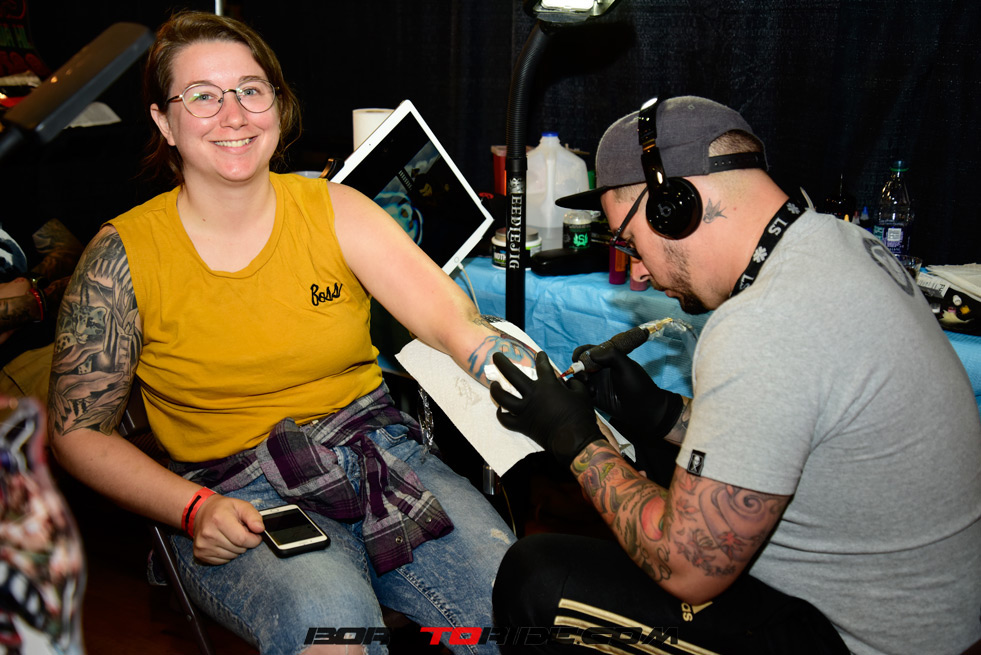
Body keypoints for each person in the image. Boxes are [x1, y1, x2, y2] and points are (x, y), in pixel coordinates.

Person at [46, 11, 535, 655]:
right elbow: (76, 432)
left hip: (378, 458)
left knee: (518, 606)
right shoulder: (122, 257)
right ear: (164, 122)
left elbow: (453, 321)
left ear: (277, 103)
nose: (234, 115)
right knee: (332, 629)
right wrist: (193, 510)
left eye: (251, 90)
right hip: (231, 493)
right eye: (203, 96)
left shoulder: (335, 210)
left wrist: (535, 388)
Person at [489, 96, 981, 655]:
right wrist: (664, 414)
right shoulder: (844, 244)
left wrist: (575, 441)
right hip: (929, 614)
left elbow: (686, 568)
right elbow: (795, 425)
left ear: (673, 206)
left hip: (864, 641)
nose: (639, 271)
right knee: (658, 459)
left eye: (628, 241)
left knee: (537, 581)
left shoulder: (763, 322)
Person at [0, 217, 83, 401]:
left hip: (63, 336)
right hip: (15, 371)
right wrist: (39, 300)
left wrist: (29, 281)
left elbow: (71, 250)